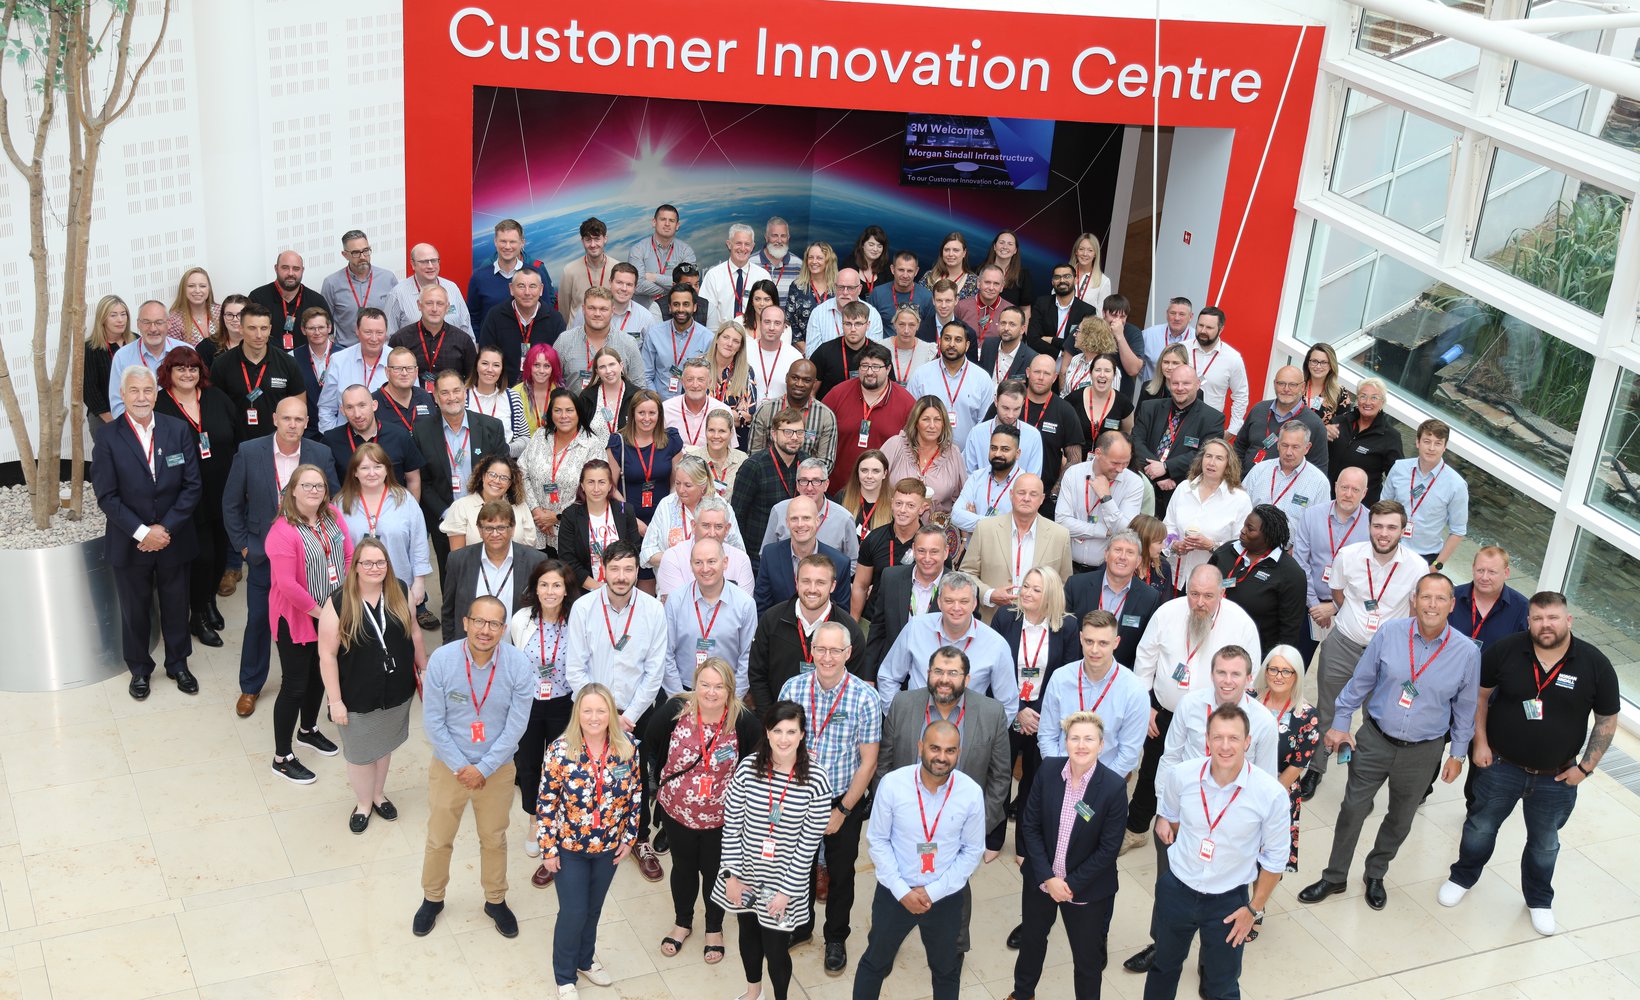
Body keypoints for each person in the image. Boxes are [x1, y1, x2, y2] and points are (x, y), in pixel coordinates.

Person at [1437, 591, 1620, 936]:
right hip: (1500, 766)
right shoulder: (1506, 650)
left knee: (1545, 843)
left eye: (1552, 617)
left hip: (1557, 778)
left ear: (1568, 620)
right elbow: (1479, 696)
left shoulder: (1595, 664)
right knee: (1480, 827)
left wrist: (1585, 768)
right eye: (1537, 618)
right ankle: (1462, 877)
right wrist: (1480, 743)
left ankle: (1538, 899)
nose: (1545, 625)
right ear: (1529, 621)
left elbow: (1607, 720)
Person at [1299, 573, 1479, 912]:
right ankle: (1335, 875)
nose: (1432, 604)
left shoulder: (1466, 652)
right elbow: (1358, 684)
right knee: (1352, 809)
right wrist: (1339, 724)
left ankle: (1376, 872)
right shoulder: (1389, 633)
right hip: (1374, 740)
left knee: (1401, 817)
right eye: (1426, 597)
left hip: (1424, 752)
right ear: (1414, 600)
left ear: (1452, 605)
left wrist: (1457, 753)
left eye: (1441, 598)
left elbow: (1466, 708)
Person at [1144, 705, 1290, 1000]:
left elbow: (1275, 860)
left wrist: (1253, 909)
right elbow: (1171, 818)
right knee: (1163, 968)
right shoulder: (1180, 776)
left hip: (1229, 902)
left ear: (1248, 742)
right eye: (1218, 737)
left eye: (1234, 738)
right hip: (1177, 890)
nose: (1225, 746)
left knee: (1222, 985)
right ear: (1206, 740)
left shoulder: (1270, 794)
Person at [877, 643, 1012, 946]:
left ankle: (954, 948)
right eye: (938, 671)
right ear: (927, 673)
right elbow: (884, 763)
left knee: (954, 903)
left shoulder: (991, 713)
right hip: (905, 828)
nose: (944, 679)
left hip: (957, 831)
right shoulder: (903, 704)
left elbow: (1001, 777)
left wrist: (976, 828)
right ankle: (885, 944)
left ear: (967, 677)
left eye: (953, 672)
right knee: (891, 905)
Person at [1127, 566, 1262, 854]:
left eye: (1208, 596)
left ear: (1222, 594)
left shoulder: (1241, 624)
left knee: (1207, 781)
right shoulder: (1167, 613)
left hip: (1216, 722)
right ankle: (1137, 829)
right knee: (1152, 770)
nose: (1200, 603)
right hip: (1163, 714)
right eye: (1194, 594)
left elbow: (1250, 676)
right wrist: (1146, 705)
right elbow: (1145, 660)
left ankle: (1195, 839)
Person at [1301, 500, 1430, 797]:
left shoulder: (1417, 567)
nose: (1384, 533)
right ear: (1369, 526)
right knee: (1328, 709)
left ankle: (1361, 784)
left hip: (1387, 656)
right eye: (1378, 526)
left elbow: (1414, 609)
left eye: (1391, 527)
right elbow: (1337, 591)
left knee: (1374, 721)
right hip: (1343, 644)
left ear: (1403, 530)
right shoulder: (1348, 556)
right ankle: (1315, 769)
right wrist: (1357, 620)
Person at [222, 396, 340, 717]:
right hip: (263, 556)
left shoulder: (320, 453)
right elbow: (231, 503)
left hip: (308, 558)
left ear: (306, 422)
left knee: (312, 622)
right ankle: (250, 686)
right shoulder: (249, 452)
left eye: (299, 420)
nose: (292, 425)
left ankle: (324, 687)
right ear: (274, 418)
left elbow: (331, 504)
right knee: (259, 621)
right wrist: (245, 548)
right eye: (286, 418)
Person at [776, 620, 882, 972]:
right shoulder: (792, 689)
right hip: (797, 797)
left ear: (848, 654)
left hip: (842, 799)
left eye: (836, 650)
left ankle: (836, 937)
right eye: (821, 649)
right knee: (799, 867)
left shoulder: (865, 697)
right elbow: (779, 745)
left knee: (840, 873)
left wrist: (842, 809)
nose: (827, 657)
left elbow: (868, 763)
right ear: (812, 650)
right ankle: (802, 926)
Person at [853, 719, 985, 1000]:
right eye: (935, 748)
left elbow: (972, 850)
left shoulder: (971, 793)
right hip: (895, 893)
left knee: (946, 970)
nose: (941, 757)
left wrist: (933, 892)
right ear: (920, 747)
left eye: (950, 751)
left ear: (958, 753)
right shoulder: (893, 784)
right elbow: (878, 840)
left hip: (945, 897)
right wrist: (902, 891)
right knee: (874, 963)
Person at [563, 542, 670, 882]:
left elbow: (655, 672)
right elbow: (574, 669)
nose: (621, 577)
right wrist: (600, 714)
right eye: (615, 569)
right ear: (603, 570)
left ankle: (639, 840)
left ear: (638, 572)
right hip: (591, 712)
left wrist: (630, 716)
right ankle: (579, 840)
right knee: (586, 776)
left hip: (637, 713)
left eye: (629, 569)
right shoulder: (583, 608)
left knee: (635, 778)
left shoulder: (653, 610)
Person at [94, 365, 202, 700]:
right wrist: (143, 532)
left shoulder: (178, 429)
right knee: (135, 609)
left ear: (156, 393)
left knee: (175, 603)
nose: (141, 397)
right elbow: (107, 496)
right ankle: (140, 670)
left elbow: (192, 485)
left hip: (174, 537)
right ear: (123, 395)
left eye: (147, 391)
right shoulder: (107, 437)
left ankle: (178, 664)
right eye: (134, 391)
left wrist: (164, 529)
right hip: (131, 542)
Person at [645, 658, 763, 963]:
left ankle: (714, 929)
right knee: (683, 869)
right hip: (677, 813)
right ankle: (682, 922)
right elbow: (650, 744)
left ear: (730, 690)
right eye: (705, 684)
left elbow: (754, 767)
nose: (711, 692)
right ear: (695, 684)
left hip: (721, 820)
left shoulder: (744, 722)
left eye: (719, 686)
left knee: (714, 873)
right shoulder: (674, 711)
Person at [717, 700, 833, 1000]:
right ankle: (753, 991)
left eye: (791, 731)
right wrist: (732, 876)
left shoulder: (816, 781)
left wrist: (786, 891)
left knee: (776, 948)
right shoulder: (747, 770)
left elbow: (808, 846)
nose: (784, 738)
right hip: (744, 874)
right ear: (767, 733)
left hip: (783, 882)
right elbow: (732, 827)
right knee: (749, 936)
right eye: (777, 730)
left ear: (802, 735)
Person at [1009, 712, 1128, 1000]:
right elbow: (1031, 825)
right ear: (1066, 742)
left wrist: (1069, 884)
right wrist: (1049, 878)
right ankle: (1022, 994)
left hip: (1086, 888)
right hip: (1042, 880)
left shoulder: (1112, 787)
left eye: (1089, 739)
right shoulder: (1049, 770)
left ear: (1101, 744)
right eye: (1075, 738)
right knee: (1032, 943)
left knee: (1087, 960)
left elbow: (1108, 850)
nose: (1081, 745)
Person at [317, 539, 428, 832]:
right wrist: (335, 701)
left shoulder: (401, 591)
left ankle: (378, 795)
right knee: (360, 753)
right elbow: (326, 655)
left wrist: (424, 669)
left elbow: (415, 633)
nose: (374, 568)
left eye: (380, 562)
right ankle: (363, 804)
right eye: (367, 563)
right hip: (356, 694)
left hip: (395, 690)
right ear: (355, 568)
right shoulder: (339, 602)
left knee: (383, 746)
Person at [535, 681, 640, 991]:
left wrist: (630, 836)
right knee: (574, 911)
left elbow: (635, 793)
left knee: (593, 908)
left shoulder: (628, 748)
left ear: (611, 712)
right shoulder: (560, 750)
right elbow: (546, 802)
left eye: (601, 710)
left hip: (609, 847)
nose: (595, 717)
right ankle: (564, 977)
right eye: (588, 710)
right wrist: (548, 849)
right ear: (577, 713)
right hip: (570, 848)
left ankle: (585, 959)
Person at [265, 463, 353, 783]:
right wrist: (323, 612)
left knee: (321, 671)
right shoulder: (282, 531)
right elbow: (287, 585)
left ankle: (308, 729)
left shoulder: (332, 514)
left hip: (331, 610)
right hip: (298, 618)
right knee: (294, 684)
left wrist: (343, 600)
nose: (314, 491)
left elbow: (346, 555)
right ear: (292, 490)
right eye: (307, 486)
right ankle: (282, 756)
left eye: (319, 486)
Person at [153, 346, 237, 647]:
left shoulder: (216, 398)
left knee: (219, 556)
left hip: (223, 490)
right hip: (186, 497)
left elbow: (236, 436)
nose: (187, 374)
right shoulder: (160, 406)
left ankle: (209, 601)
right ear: (169, 373)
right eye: (180, 368)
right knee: (203, 557)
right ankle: (197, 615)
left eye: (193, 368)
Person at [505, 559, 579, 885]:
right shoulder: (521, 620)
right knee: (531, 766)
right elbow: (510, 660)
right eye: (544, 585)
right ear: (535, 588)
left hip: (566, 704)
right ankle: (536, 822)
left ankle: (562, 822)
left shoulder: (577, 620)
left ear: (566, 590)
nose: (550, 591)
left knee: (562, 767)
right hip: (529, 704)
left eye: (557, 585)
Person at [875, 572, 1018, 721]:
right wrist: (899, 720)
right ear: (939, 602)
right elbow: (888, 677)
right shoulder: (915, 628)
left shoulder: (996, 644)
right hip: (916, 726)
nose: (956, 608)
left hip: (967, 737)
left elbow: (1007, 705)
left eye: (964, 601)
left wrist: (983, 739)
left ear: (975, 603)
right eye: (949, 600)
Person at [412, 370, 508, 579]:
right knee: (451, 579)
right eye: (444, 393)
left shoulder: (491, 426)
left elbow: (503, 473)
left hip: (488, 516)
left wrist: (485, 509)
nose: (452, 397)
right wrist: (448, 514)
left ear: (465, 393)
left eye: (456, 390)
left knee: (489, 575)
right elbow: (424, 482)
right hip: (445, 519)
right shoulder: (422, 431)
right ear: (435, 398)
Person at [1036, 609, 1148, 775]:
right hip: (1061, 774)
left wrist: (1099, 786)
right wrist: (1060, 774)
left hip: (1106, 781)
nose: (1094, 650)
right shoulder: (1060, 678)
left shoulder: (1135, 691)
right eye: (1089, 641)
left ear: (1116, 642)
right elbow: (1047, 736)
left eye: (1103, 643)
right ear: (1081, 638)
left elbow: (1129, 754)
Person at [748, 555, 868, 706]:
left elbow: (853, 685)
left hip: (828, 724)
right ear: (797, 583)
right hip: (778, 722)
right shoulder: (772, 620)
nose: (812, 589)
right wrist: (772, 721)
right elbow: (757, 674)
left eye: (820, 583)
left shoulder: (850, 631)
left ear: (832, 586)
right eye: (806, 581)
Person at [337, 443, 433, 627]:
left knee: (400, 637)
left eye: (377, 466)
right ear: (354, 472)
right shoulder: (342, 504)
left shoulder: (405, 500)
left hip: (398, 585)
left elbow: (419, 543)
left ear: (387, 470)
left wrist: (419, 582)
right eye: (364, 468)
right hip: (356, 588)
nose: (371, 473)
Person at [960, 473, 1073, 624]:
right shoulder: (985, 528)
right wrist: (989, 594)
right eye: (1021, 493)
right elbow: (966, 573)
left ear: (1042, 499)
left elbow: (1064, 583)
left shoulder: (1060, 535)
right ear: (1011, 495)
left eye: (1033, 494)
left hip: (1039, 624)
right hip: (992, 619)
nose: (1026, 498)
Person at [1291, 465, 1370, 669]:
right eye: (1344, 487)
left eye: (1355, 489)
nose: (1348, 494)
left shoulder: (1373, 526)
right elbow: (1300, 563)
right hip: (1308, 605)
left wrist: (1334, 606)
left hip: (1350, 611)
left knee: (1335, 675)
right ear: (1335, 486)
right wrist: (1314, 605)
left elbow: (1369, 578)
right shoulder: (1312, 515)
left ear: (1365, 493)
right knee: (1295, 665)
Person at [440, 500, 547, 643]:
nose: (495, 534)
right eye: (488, 528)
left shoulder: (535, 561)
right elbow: (448, 612)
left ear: (513, 528)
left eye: (501, 528)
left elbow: (543, 610)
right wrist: (450, 648)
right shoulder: (458, 560)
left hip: (517, 649)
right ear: (479, 530)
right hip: (469, 650)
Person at [664, 538, 759, 696]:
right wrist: (678, 699)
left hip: (727, 692)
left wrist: (734, 701)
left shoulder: (745, 604)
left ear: (725, 562)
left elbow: (747, 657)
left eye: (712, 561)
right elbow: (666, 653)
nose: (705, 569)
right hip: (684, 690)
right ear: (691, 565)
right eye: (698, 562)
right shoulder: (675, 601)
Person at [1207, 505, 1309, 653]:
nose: (1243, 531)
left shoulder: (1291, 574)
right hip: (1211, 640)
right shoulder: (1226, 551)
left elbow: (1289, 631)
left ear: (1268, 536)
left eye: (1250, 529)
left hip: (1253, 652)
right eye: (1244, 526)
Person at [519, 388, 605, 553]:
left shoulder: (592, 445)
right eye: (557, 410)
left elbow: (596, 488)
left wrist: (557, 517)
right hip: (535, 529)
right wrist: (537, 511)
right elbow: (521, 474)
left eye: (569, 410)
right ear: (551, 413)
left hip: (572, 532)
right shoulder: (540, 436)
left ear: (578, 413)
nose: (563, 416)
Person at [1256, 645, 1319, 872]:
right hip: (1242, 784)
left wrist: (1268, 795)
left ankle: (1257, 905)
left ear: (1297, 676)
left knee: (1268, 859)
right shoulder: (1248, 701)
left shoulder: (1307, 715)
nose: (1278, 676)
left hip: (1278, 791)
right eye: (1273, 669)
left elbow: (1298, 764)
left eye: (1286, 671)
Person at [820, 343, 915, 492]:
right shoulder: (838, 393)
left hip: (883, 491)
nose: (869, 372)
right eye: (864, 366)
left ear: (888, 369)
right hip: (838, 487)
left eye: (876, 367)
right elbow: (818, 430)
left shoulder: (906, 402)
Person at [605, 390, 684, 568]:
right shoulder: (618, 443)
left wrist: (666, 516)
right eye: (641, 413)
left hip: (663, 519)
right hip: (629, 520)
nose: (646, 418)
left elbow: (676, 483)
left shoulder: (671, 440)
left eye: (652, 413)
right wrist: (632, 519)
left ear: (659, 414)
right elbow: (611, 486)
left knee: (661, 572)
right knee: (631, 571)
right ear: (632, 414)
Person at [1132, 363, 1224, 514]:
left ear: (1197, 385)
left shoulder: (1213, 419)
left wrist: (1166, 468)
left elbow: (1203, 455)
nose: (1180, 388)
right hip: (1142, 486)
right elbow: (1136, 441)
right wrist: (1156, 473)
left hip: (1180, 492)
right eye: (1175, 383)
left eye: (1186, 383)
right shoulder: (1149, 407)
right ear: (1169, 384)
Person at [1063, 530, 1164, 668]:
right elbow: (1063, 635)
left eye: (1130, 552)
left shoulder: (1150, 598)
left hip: (1121, 678)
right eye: (1117, 550)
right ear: (1106, 555)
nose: (1123, 557)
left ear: (1138, 561)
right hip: (1078, 671)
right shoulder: (1076, 585)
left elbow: (1147, 647)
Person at [861, 524, 948, 678]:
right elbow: (877, 630)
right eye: (921, 551)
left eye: (934, 552)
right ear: (913, 549)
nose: (927, 558)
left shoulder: (959, 588)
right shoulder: (891, 578)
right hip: (891, 676)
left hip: (937, 678)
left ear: (946, 552)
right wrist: (868, 676)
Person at [1383, 418, 1469, 570]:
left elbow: (1458, 531)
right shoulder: (1399, 468)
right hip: (1389, 548)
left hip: (1425, 558)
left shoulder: (1456, 485)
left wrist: (1436, 566)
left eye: (1438, 443)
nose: (1431, 448)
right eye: (1427, 441)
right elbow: (1382, 507)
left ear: (1445, 447)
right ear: (1417, 442)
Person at [207, 302, 306, 433]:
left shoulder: (288, 363)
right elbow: (216, 408)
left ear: (270, 329)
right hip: (236, 443)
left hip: (276, 441)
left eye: (263, 328)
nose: (259, 335)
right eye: (252, 328)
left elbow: (299, 407)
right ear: (241, 329)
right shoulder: (222, 364)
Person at [1163, 438, 1252, 584]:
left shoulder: (1240, 500)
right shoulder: (1184, 488)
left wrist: (1211, 546)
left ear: (1228, 465)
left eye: (1219, 458)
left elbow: (1242, 546)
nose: (1211, 463)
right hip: (1175, 577)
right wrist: (1174, 544)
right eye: (1208, 456)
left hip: (1212, 582)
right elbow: (1167, 528)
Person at [1056, 430, 1144, 573]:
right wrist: (1104, 531)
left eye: (1125, 463)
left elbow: (1127, 532)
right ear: (1098, 453)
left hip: (1106, 571)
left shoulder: (1134, 483)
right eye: (1115, 463)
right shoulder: (1074, 473)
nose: (1120, 469)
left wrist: (1106, 498)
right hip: (1068, 566)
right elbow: (1061, 523)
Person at [641, 455, 748, 569]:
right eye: (677, 483)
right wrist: (680, 560)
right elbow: (647, 551)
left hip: (712, 581)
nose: (681, 490)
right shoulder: (666, 505)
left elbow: (738, 553)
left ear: (703, 485)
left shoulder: (722, 507)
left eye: (688, 485)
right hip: (673, 581)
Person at [733, 407, 807, 566]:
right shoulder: (754, 466)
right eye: (788, 432)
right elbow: (737, 515)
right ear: (774, 434)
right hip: (759, 558)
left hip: (797, 556)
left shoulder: (807, 464)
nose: (794, 437)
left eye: (799, 432)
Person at [321, 383, 426, 495]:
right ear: (342, 410)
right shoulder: (331, 440)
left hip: (393, 509)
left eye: (362, 405)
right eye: (350, 407)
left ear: (374, 405)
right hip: (349, 509)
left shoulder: (399, 435)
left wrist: (411, 511)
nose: (357, 414)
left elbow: (413, 479)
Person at [557, 459, 642, 592]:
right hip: (585, 591)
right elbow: (567, 559)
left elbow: (635, 550)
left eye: (602, 482)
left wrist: (622, 584)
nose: (596, 489)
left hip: (622, 586)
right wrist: (597, 587)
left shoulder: (625, 511)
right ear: (582, 486)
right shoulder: (570, 515)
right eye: (591, 482)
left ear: (610, 486)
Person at [754, 499, 852, 613]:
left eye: (806, 518)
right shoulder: (770, 555)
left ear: (817, 521)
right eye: (794, 519)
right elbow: (761, 606)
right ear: (787, 522)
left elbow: (841, 614)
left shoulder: (839, 562)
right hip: (779, 629)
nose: (800, 524)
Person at [906, 322, 995, 446]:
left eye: (958, 340)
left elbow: (985, 423)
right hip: (926, 454)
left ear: (967, 345)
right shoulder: (921, 375)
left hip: (968, 457)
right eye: (947, 339)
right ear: (939, 341)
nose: (952, 344)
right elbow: (910, 416)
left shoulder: (982, 379)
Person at [760, 458, 861, 566]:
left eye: (816, 481)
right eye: (803, 481)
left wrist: (830, 580)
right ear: (797, 485)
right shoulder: (779, 511)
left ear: (826, 484)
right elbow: (766, 555)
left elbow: (853, 562)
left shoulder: (844, 519)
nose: (809, 488)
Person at [1018, 353, 1086, 512]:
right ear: (1028, 372)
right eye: (1036, 372)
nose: (1041, 377)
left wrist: (1055, 490)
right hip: (1008, 490)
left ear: (1055, 377)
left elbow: (1075, 459)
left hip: (1044, 497)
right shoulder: (1011, 401)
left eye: (1047, 373)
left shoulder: (1065, 410)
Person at [477, 267, 564, 387]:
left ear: (541, 289)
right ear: (511, 289)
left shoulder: (555, 319)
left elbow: (559, 362)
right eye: (521, 286)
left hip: (543, 392)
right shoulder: (495, 316)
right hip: (503, 392)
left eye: (533, 286)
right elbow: (486, 355)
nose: (527, 292)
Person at [850, 473, 922, 618]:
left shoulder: (931, 545)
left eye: (910, 505)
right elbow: (860, 586)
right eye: (898, 503)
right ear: (892, 503)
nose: (902, 510)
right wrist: (853, 625)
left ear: (922, 509)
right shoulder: (874, 539)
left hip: (913, 621)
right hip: (874, 619)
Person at [880, 395, 966, 516]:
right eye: (926, 419)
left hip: (936, 530)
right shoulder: (895, 445)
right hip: (893, 524)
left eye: (937, 419)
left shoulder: (953, 453)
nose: (932, 425)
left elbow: (962, 498)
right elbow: (876, 481)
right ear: (915, 422)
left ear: (944, 423)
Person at [1234, 365, 1327, 474]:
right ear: (1274, 384)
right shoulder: (1259, 409)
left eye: (1293, 385)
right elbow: (1239, 447)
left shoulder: (1315, 424)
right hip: (1243, 483)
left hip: (1282, 489)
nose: (1286, 389)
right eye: (1281, 383)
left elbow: (1318, 470)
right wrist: (1236, 479)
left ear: (1303, 387)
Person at [657, 496, 755, 600]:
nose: (712, 534)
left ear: (727, 529)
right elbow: (676, 607)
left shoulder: (741, 560)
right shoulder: (673, 557)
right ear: (693, 526)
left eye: (718, 527)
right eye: (706, 526)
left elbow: (744, 608)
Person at [747, 357, 836, 467]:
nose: (799, 384)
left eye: (806, 380)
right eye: (795, 378)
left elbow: (825, 463)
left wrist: (805, 481)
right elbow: (754, 455)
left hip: (807, 481)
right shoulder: (766, 410)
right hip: (768, 479)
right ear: (786, 378)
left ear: (814, 383)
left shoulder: (826, 416)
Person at [468, 217, 556, 327]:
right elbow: (473, 316)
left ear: (522, 243)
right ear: (495, 242)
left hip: (530, 342)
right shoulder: (479, 277)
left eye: (512, 242)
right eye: (503, 241)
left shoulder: (536, 274)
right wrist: (479, 341)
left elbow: (547, 313)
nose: (507, 247)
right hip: (491, 343)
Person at [556, 287, 646, 394]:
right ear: (583, 309)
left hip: (617, 409)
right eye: (592, 308)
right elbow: (554, 383)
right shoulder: (564, 341)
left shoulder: (628, 343)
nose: (597, 314)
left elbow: (639, 387)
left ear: (612, 311)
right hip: (576, 409)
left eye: (603, 309)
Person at [315, 309, 393, 432]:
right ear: (357, 331)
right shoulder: (338, 361)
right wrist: (332, 438)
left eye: (379, 332)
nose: (374, 338)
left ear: (386, 333)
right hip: (346, 439)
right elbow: (327, 408)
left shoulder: (399, 361)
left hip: (386, 438)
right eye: (368, 332)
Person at [1326, 376, 1401, 504]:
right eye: (1363, 396)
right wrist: (1323, 432)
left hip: (1363, 506)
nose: (1367, 402)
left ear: (1382, 402)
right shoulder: (1338, 422)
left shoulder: (1390, 437)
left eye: (1374, 398)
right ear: (1357, 399)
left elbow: (1397, 478)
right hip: (1327, 498)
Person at [441, 454, 539, 550]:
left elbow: (528, 550)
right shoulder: (460, 507)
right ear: (483, 476)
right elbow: (458, 556)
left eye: (504, 478)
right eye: (492, 475)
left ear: (510, 483)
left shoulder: (520, 506)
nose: (497, 481)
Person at [109, 300, 190, 417]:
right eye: (146, 322)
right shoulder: (122, 357)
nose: (153, 329)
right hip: (139, 428)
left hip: (180, 424)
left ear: (169, 323)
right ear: (138, 324)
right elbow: (118, 405)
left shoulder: (186, 351)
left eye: (159, 322)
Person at [388, 283, 477, 386]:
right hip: (411, 400)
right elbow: (391, 376)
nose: (434, 309)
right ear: (419, 305)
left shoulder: (463, 340)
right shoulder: (400, 339)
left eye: (440, 304)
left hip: (451, 399)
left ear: (447, 307)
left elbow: (472, 379)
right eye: (429, 303)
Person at [1244, 420, 1330, 525]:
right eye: (1285, 445)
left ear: (1307, 448)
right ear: (1278, 445)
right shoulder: (1259, 470)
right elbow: (1239, 506)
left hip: (1292, 542)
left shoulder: (1319, 483)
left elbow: (1319, 525)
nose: (1289, 452)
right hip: (1253, 539)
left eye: (1295, 447)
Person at [320, 230, 396, 346]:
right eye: (356, 253)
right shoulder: (331, 283)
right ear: (345, 255)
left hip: (380, 350)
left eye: (366, 251)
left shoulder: (388, 278)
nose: (362, 257)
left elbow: (396, 317)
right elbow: (324, 321)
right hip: (346, 351)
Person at [246, 250, 332, 351]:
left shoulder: (316, 301)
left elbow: (328, 337)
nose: (290, 273)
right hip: (268, 362)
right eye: (285, 268)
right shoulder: (258, 298)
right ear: (276, 268)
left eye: (296, 269)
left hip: (305, 362)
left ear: (302, 270)